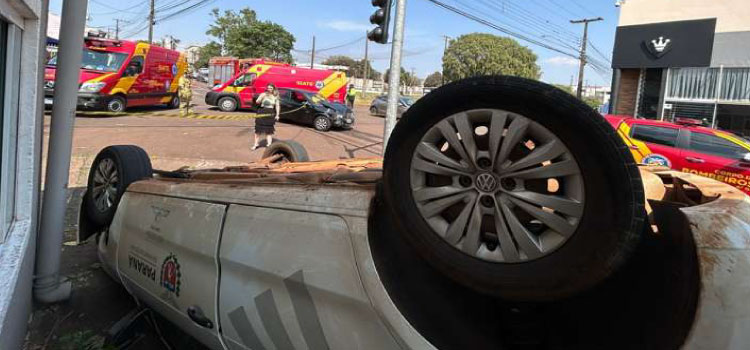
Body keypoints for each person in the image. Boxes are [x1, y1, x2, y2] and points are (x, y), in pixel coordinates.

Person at [252, 83, 280, 150]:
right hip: (262, 112)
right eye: (268, 88)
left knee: (269, 130)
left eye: (271, 88)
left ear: (273, 89)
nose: (269, 89)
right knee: (258, 130)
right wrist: (260, 98)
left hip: (270, 113)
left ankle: (269, 145)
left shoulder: (275, 96)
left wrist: (277, 115)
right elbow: (257, 102)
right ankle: (256, 144)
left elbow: (277, 106)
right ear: (266, 88)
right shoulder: (263, 94)